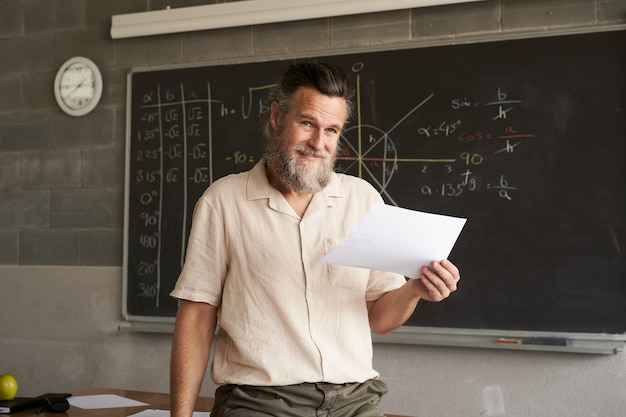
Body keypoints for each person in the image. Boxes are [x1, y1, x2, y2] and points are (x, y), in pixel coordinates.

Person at [169, 61, 460, 417]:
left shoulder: (362, 199)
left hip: (355, 400)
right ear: (277, 117)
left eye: (332, 130)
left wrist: (415, 288)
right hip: (262, 402)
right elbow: (197, 316)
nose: (318, 143)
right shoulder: (223, 202)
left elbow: (380, 319)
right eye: (307, 123)